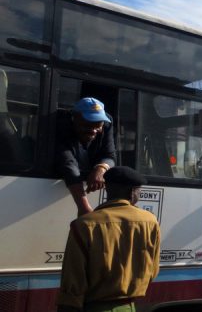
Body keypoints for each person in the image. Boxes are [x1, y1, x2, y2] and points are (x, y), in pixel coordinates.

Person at [56, 166, 160, 312]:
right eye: (139, 191)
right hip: (128, 308)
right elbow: (153, 271)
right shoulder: (150, 221)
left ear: (108, 189)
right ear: (132, 193)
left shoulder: (84, 225)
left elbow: (73, 277)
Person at [56, 97, 116, 216]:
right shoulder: (62, 126)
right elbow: (68, 164)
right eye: (88, 125)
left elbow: (110, 155)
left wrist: (101, 168)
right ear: (75, 119)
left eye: (98, 126)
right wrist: (83, 207)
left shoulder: (107, 124)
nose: (94, 131)